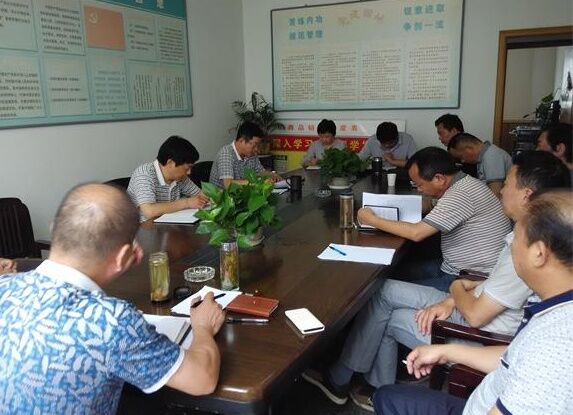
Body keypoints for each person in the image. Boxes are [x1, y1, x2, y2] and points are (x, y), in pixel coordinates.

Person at [302, 151, 570, 411]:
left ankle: (354, 380)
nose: (500, 190)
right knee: (382, 291)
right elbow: (496, 284)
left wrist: (455, 289)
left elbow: (477, 314)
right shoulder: (530, 241)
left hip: (471, 308)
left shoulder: (527, 254)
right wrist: (455, 298)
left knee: (386, 306)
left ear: (527, 194)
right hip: (473, 295)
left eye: (507, 184)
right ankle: (359, 380)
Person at [0, 184, 226, 414]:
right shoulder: (110, 321)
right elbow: (202, 379)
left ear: (54, 230)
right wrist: (203, 327)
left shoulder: (4, 285)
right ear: (124, 256)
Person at [373, 190, 573, 415]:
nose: (510, 245)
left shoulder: (557, 346)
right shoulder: (552, 304)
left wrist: (456, 289)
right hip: (481, 400)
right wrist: (446, 351)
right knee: (386, 397)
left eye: (515, 239)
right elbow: (514, 356)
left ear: (538, 253)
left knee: (389, 401)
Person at [357, 147, 511, 291]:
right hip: (453, 267)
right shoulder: (465, 183)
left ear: (439, 178)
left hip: (469, 278)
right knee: (393, 272)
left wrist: (371, 219)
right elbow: (430, 205)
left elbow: (416, 233)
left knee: (380, 288)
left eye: (420, 184)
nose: (419, 190)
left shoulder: (460, 195)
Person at [127, 135, 209, 221]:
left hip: (167, 225)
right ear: (170, 163)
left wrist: (211, 198)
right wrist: (187, 202)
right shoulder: (144, 174)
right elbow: (149, 211)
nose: (189, 172)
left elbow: (201, 195)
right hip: (142, 226)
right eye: (187, 168)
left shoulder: (180, 177)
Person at [210, 121, 281, 188]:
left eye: (258, 145)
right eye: (254, 145)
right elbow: (228, 184)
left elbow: (260, 171)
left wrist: (272, 175)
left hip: (243, 194)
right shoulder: (226, 154)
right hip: (222, 196)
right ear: (242, 140)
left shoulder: (251, 154)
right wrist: (257, 182)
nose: (257, 149)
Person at [448, 133, 512, 198]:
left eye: (461, 157)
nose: (462, 161)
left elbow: (496, 193)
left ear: (469, 149)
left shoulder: (491, 156)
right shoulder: (483, 157)